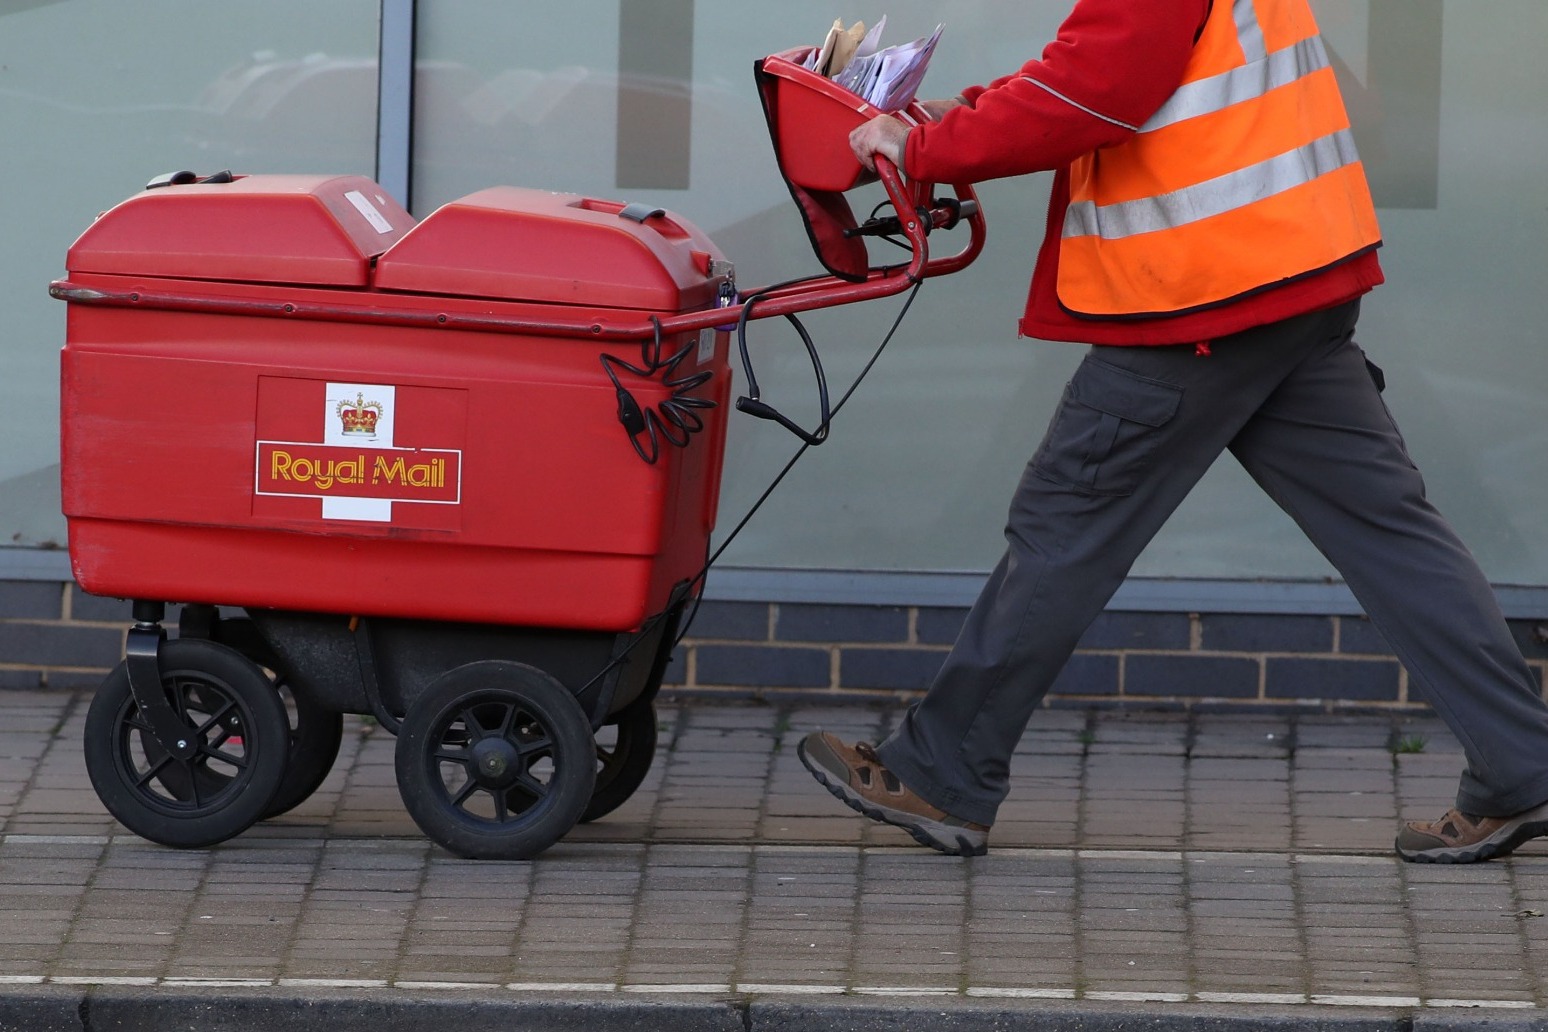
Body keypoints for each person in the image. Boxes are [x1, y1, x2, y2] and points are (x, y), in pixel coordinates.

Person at [798, 0, 1548, 864]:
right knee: (1390, 533)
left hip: (1202, 296)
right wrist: (951, 115)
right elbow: (1106, 70)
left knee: (1064, 526)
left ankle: (942, 770)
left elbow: (1089, 93)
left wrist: (922, 148)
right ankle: (1523, 764)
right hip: (1293, 271)